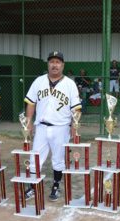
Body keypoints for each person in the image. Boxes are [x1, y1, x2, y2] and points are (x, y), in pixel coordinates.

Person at [24, 51, 82, 201]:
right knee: (35, 157)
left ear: (62, 65)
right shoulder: (39, 81)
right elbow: (31, 102)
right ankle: (33, 186)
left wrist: (74, 127)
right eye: (52, 62)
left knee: (58, 159)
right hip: (41, 127)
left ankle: (56, 186)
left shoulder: (70, 84)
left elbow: (76, 108)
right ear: (48, 64)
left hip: (61, 128)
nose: (54, 65)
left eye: (57, 62)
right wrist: (29, 121)